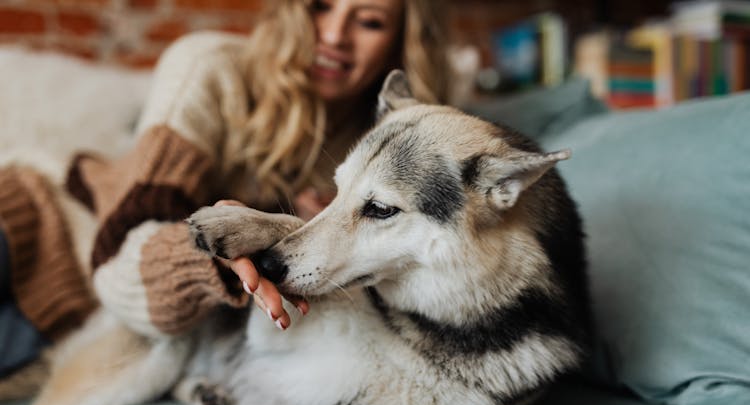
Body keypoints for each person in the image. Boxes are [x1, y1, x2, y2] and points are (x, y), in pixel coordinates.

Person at [0, 0, 452, 374]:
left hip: (68, 320)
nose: (334, 36)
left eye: (370, 21)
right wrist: (223, 257)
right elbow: (117, 263)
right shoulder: (210, 69)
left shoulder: (396, 146)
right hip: (41, 225)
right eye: (319, 8)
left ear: (402, 40)